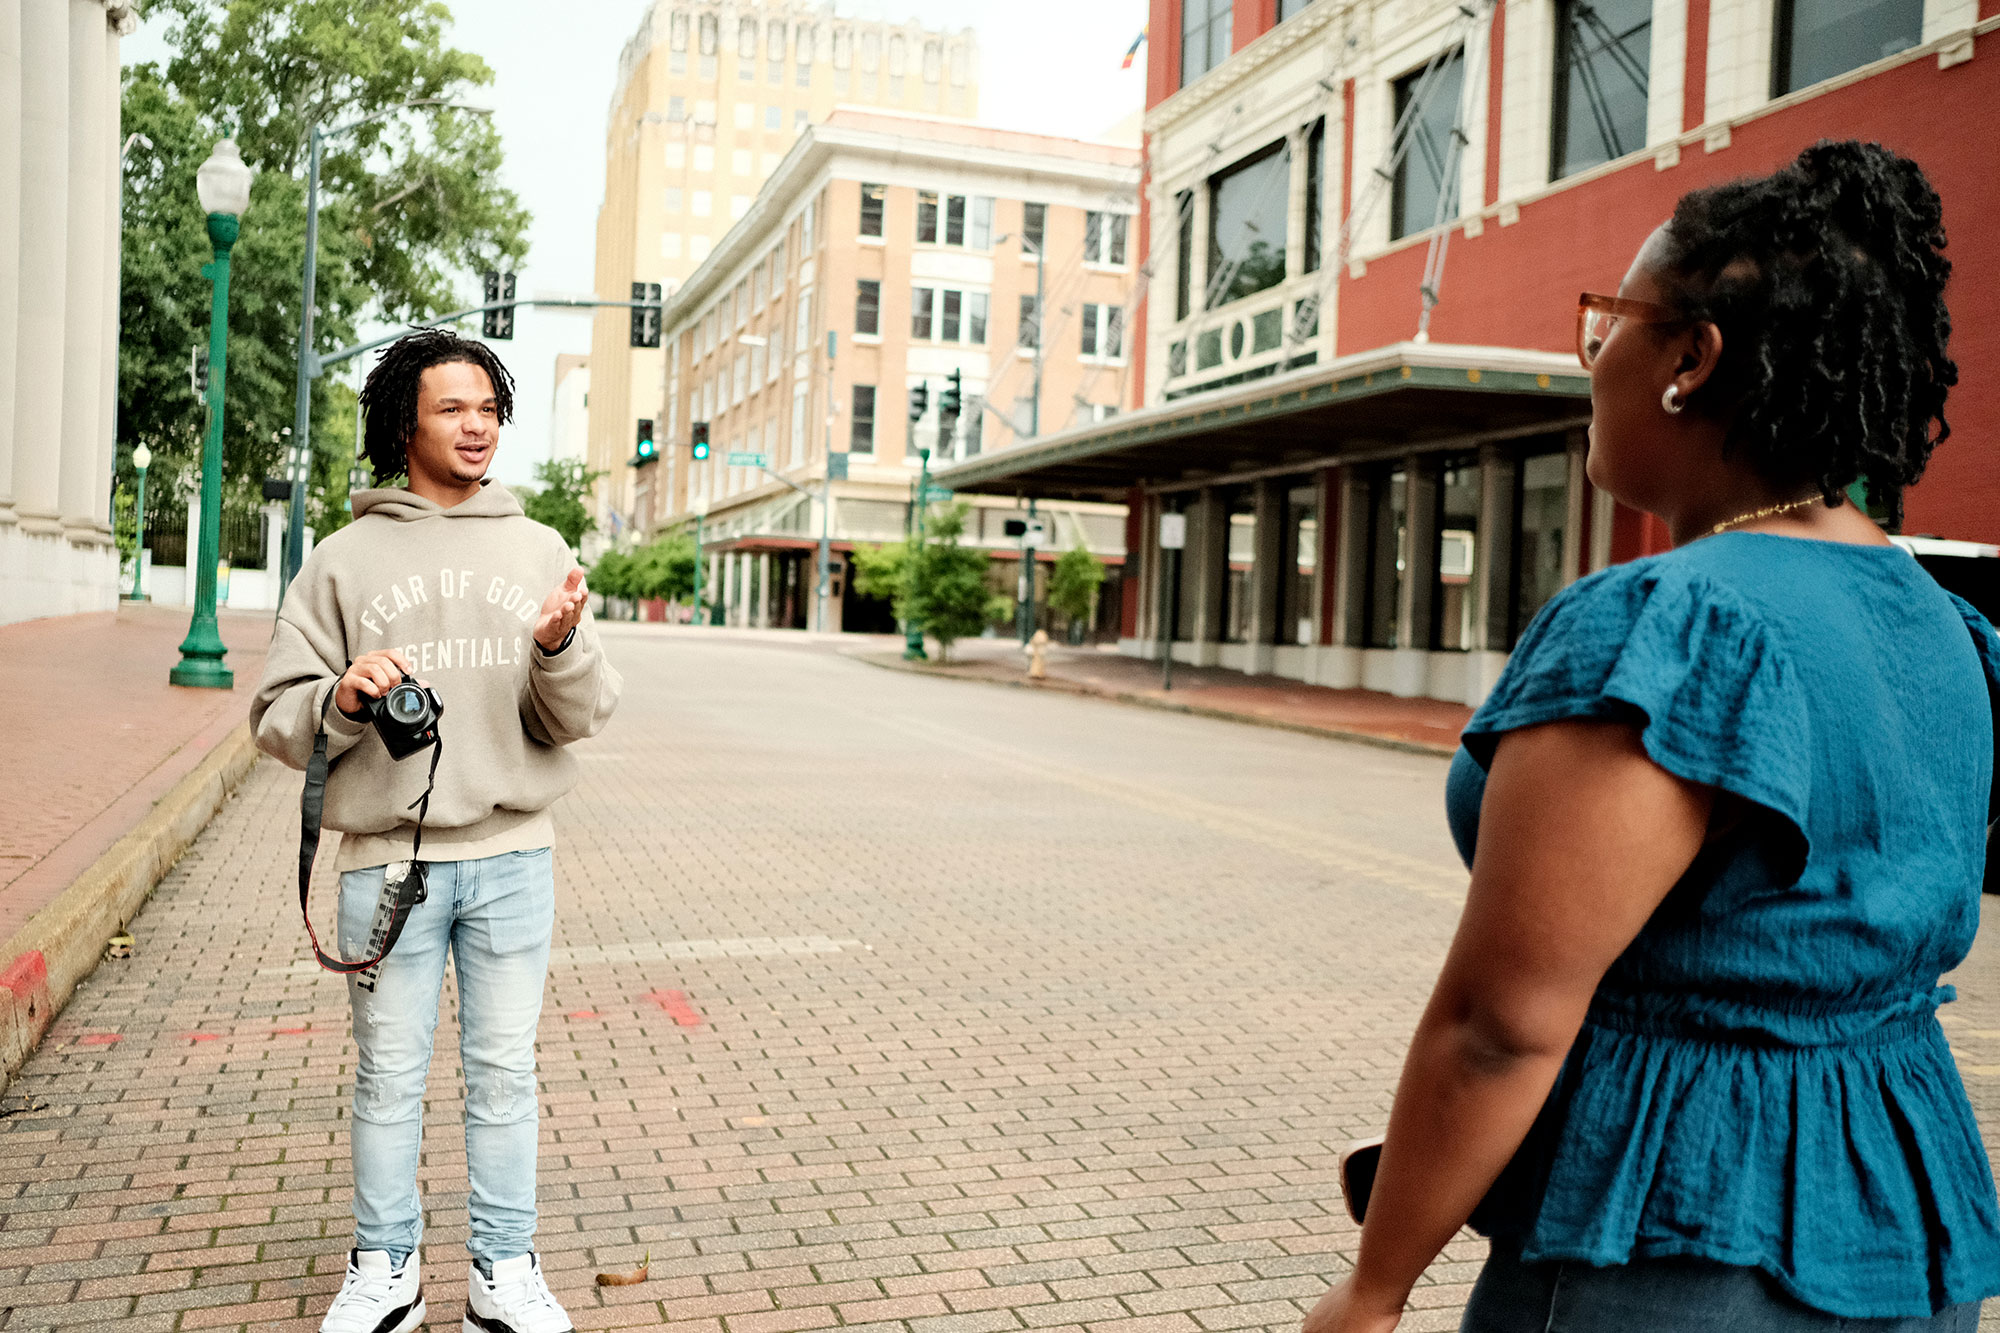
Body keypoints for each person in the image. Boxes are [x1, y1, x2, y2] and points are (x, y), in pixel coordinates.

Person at [1304, 140, 2000, 1332]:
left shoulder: (1672, 626)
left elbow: (1497, 1026)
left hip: (1671, 1233)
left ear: (1689, 358)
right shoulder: (1944, 629)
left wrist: (1371, 1289)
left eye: (1607, 324)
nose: (1592, 362)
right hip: (1895, 1205)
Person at [252, 328, 621, 1333]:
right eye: (454, 407)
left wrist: (557, 650)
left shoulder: (540, 547)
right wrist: (342, 694)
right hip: (385, 864)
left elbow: (581, 714)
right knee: (386, 1077)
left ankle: (504, 1273)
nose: (477, 424)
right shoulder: (342, 559)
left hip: (512, 857)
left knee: (504, 1075)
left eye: (489, 408)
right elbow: (276, 714)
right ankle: (387, 1270)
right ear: (402, 422)